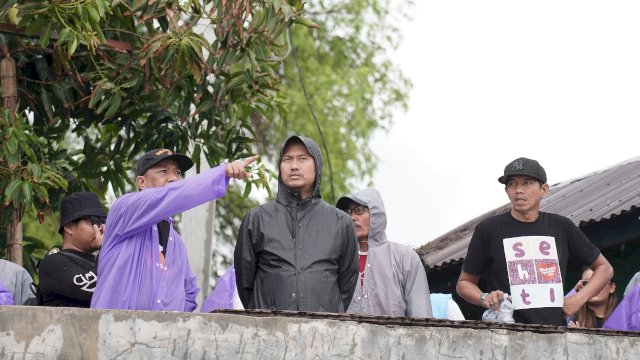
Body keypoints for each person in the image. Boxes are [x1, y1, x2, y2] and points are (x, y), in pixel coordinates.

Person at [456, 157, 614, 326]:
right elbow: (464, 283)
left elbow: (605, 268)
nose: (518, 190)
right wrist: (484, 298)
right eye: (512, 184)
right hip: (505, 333)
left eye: (526, 183)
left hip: (553, 335)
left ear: (544, 190)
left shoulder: (561, 226)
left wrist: (578, 299)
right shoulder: (489, 229)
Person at [91, 149, 255, 311]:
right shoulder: (125, 209)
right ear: (141, 182)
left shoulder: (176, 242)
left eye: (178, 172)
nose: (174, 178)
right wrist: (222, 173)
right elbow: (167, 196)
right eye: (163, 171)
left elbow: (189, 293)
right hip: (113, 331)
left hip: (160, 336)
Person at [234, 135, 358, 312]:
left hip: (324, 332)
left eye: (302, 158)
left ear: (317, 165)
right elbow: (245, 283)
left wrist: (325, 309)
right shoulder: (258, 218)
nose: (293, 166)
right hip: (268, 331)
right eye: (287, 159)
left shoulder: (341, 223)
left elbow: (346, 284)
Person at [336, 188, 432, 317]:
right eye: (347, 212)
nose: (352, 217)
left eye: (359, 210)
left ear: (377, 214)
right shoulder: (337, 260)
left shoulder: (405, 257)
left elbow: (421, 315)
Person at [37, 192, 107, 307]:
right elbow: (93, 290)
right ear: (69, 227)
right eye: (93, 221)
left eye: (102, 222)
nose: (100, 228)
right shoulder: (52, 264)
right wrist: (106, 249)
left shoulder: (99, 260)